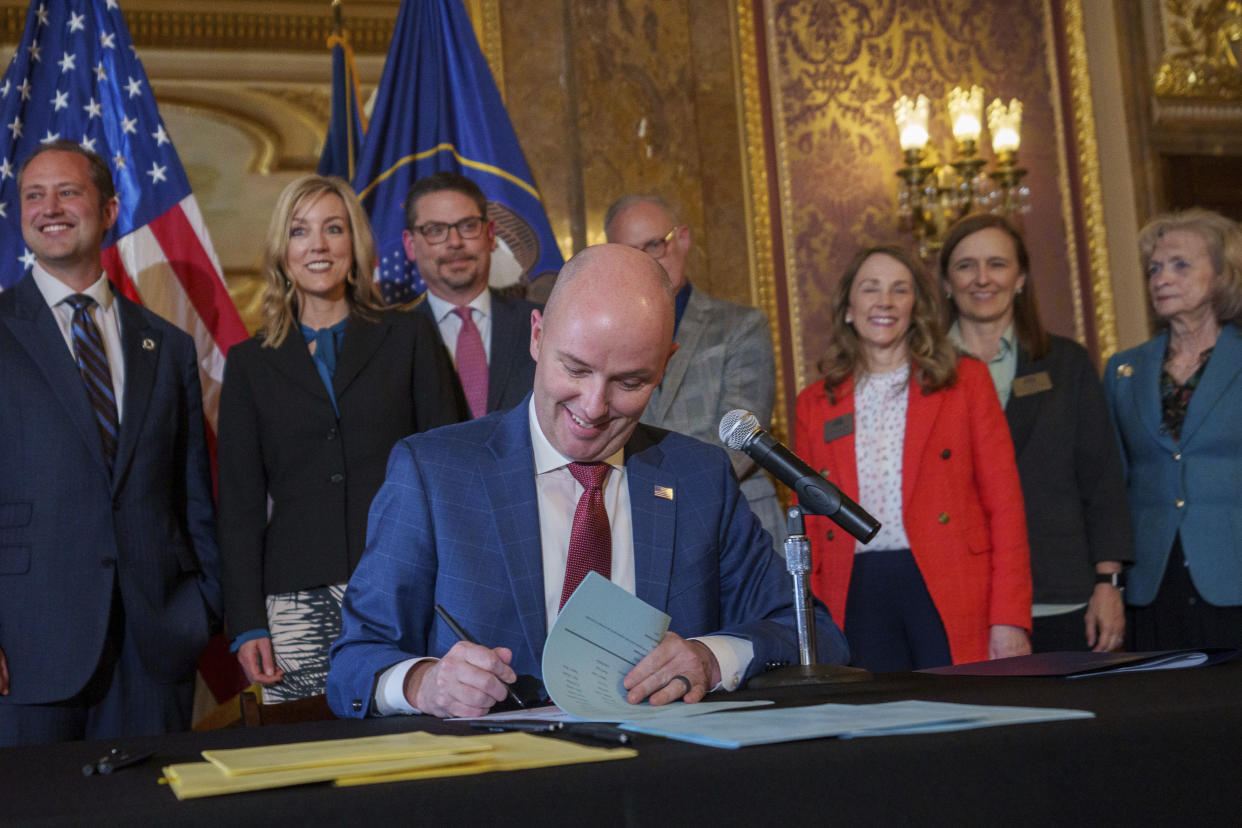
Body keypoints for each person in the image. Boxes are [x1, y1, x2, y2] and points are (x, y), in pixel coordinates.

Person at [326, 243, 849, 719]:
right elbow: (354, 661)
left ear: (664, 366)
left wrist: (712, 659)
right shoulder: (434, 473)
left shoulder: (698, 479)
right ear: (536, 337)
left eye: (630, 382)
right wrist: (423, 683)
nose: (594, 407)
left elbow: (812, 634)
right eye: (575, 369)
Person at [0, 142, 220, 746]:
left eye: (67, 191)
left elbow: (191, 493)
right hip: (27, 648)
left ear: (109, 208)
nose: (50, 207)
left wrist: (202, 611)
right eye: (33, 195)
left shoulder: (167, 346)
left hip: (154, 649)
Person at [218, 175, 464, 702]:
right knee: (308, 757)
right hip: (294, 603)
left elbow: (450, 471)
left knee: (412, 747)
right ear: (282, 252)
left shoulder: (409, 337)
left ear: (355, 245)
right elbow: (237, 507)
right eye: (301, 231)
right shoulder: (248, 364)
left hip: (404, 584)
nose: (319, 245)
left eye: (334, 228)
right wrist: (246, 623)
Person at [794, 245, 1032, 671]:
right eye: (871, 289)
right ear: (849, 308)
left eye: (899, 290)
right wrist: (810, 621)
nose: (884, 302)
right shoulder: (815, 403)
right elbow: (810, 522)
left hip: (949, 581)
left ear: (914, 307)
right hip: (854, 589)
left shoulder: (966, 382)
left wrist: (1009, 618)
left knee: (965, 721)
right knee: (876, 729)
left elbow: (1007, 507)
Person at [940, 214, 1132, 653]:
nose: (982, 278)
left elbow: (1101, 481)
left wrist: (1109, 582)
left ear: (1021, 277)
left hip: (1061, 593)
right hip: (957, 597)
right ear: (947, 283)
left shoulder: (1066, 363)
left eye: (998, 264)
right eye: (966, 266)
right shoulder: (921, 374)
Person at [604, 194, 786, 547]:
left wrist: (661, 494)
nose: (647, 263)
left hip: (738, 520)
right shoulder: (608, 340)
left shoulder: (740, 326)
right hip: (642, 529)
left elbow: (741, 439)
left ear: (682, 239)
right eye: (632, 253)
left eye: (654, 245)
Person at [1104, 208, 1242, 650]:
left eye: (1181, 265)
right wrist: (1108, 580)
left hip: (1232, 576)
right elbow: (1112, 484)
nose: (1161, 279)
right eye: (1155, 269)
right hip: (1152, 581)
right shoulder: (1123, 369)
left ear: (1223, 275)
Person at [403, 171, 539, 418]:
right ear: (410, 245)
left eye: (468, 226)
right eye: (435, 230)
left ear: (489, 234)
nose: (455, 242)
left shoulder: (542, 324)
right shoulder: (392, 340)